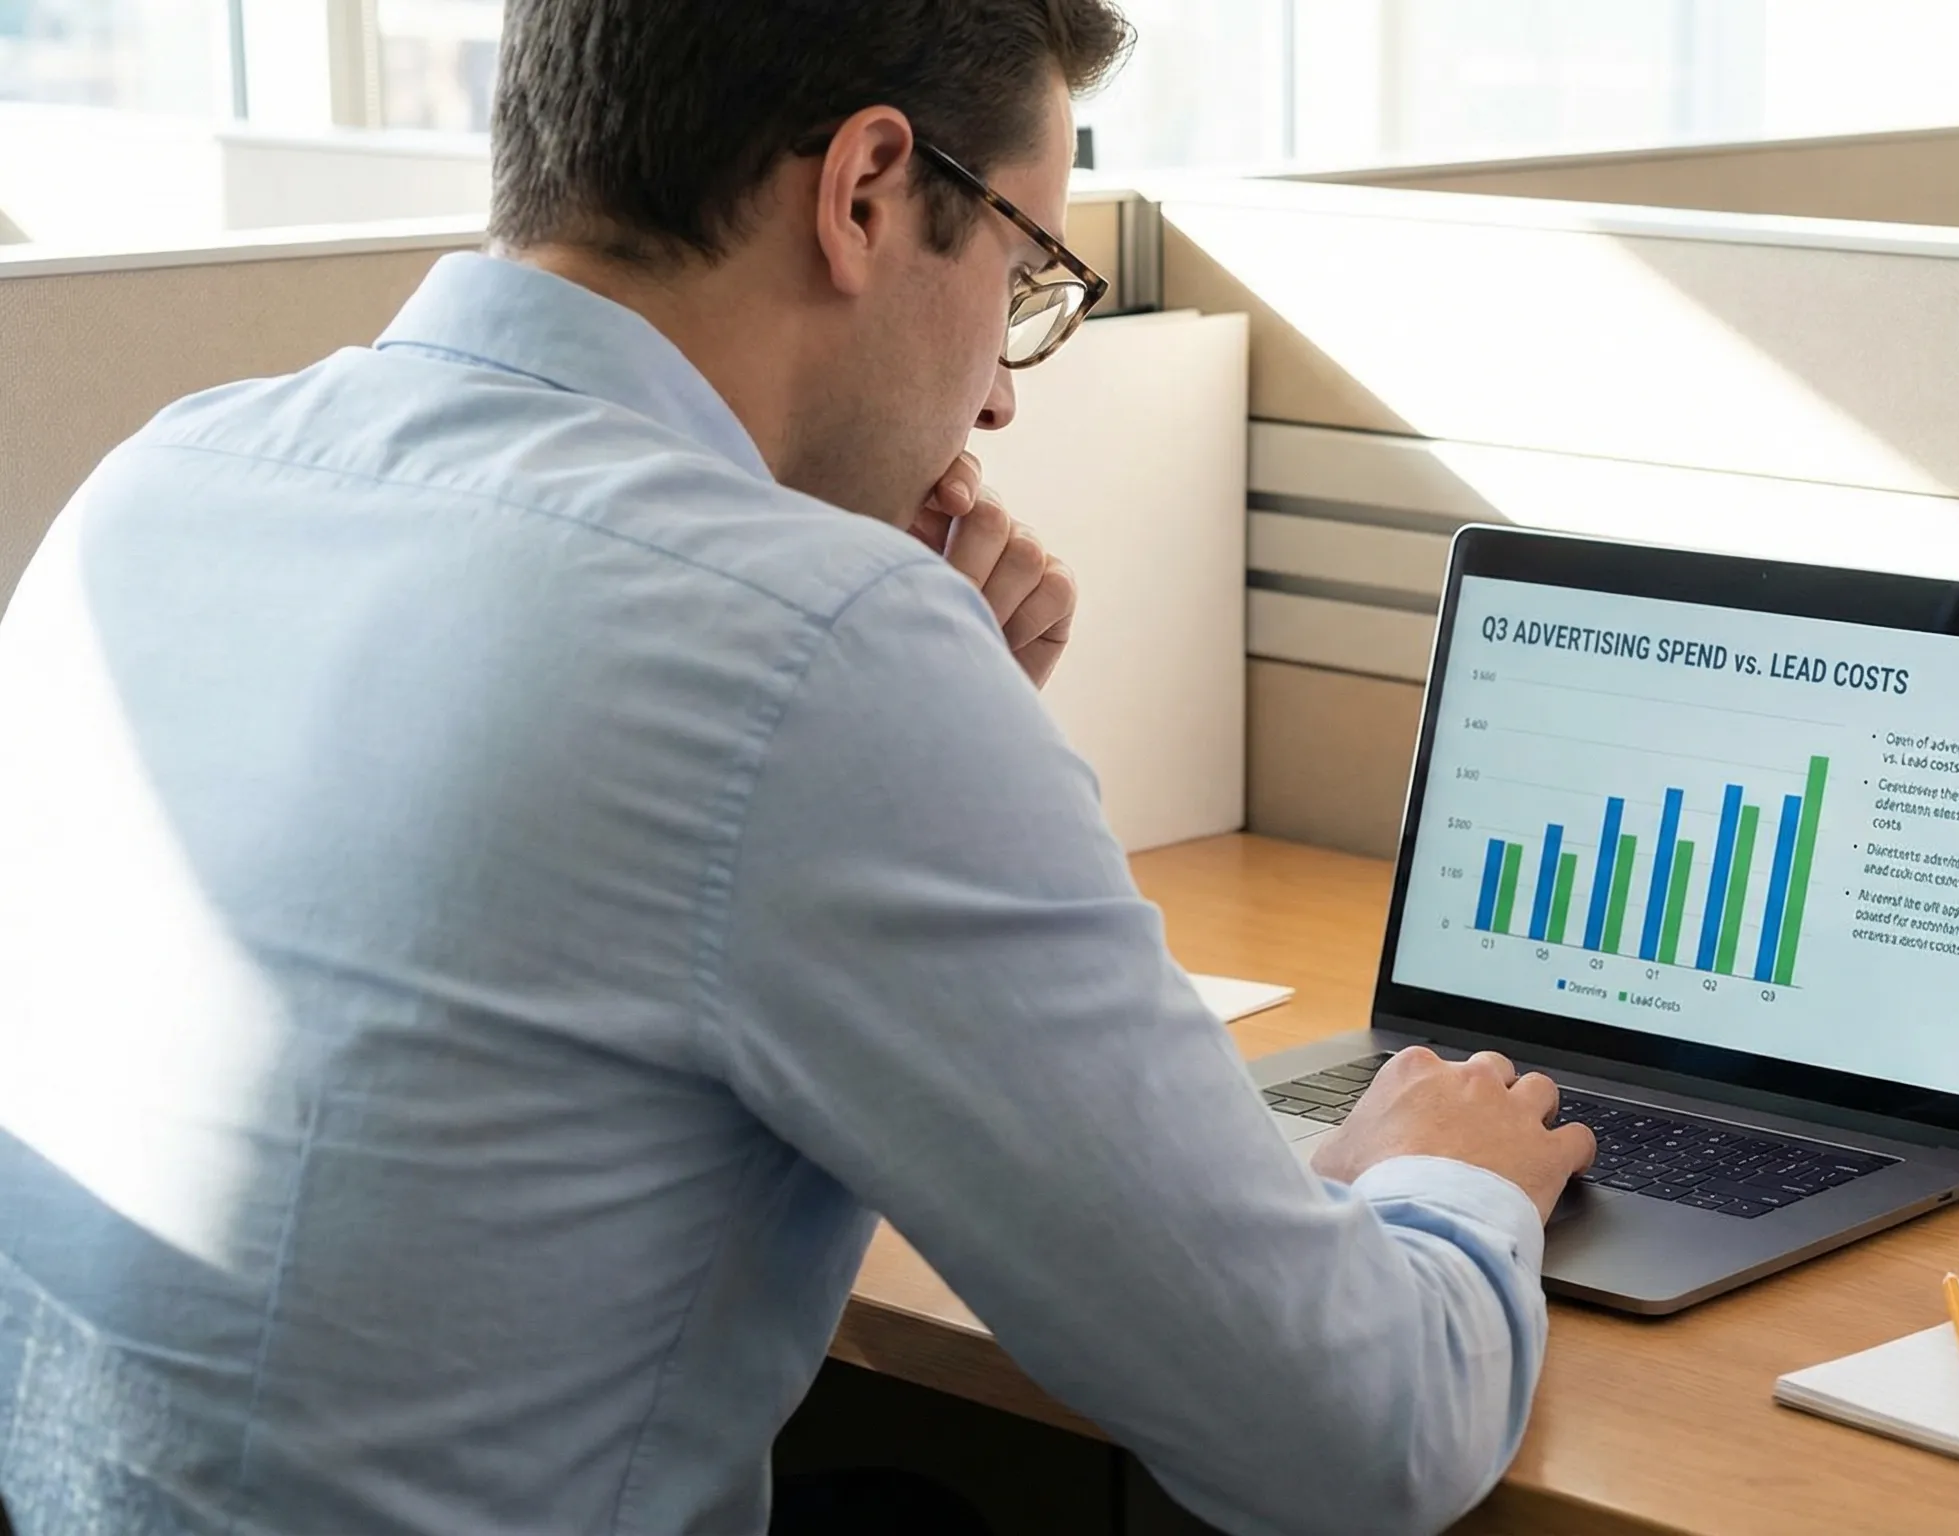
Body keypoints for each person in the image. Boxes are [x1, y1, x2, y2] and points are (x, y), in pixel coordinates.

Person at [0, 1, 1597, 1532]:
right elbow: (1357, 1438)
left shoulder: (158, 482)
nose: (1000, 393)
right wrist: (1445, 1183)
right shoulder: (808, 643)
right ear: (867, 191)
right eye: (1026, 274)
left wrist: (929, 735)